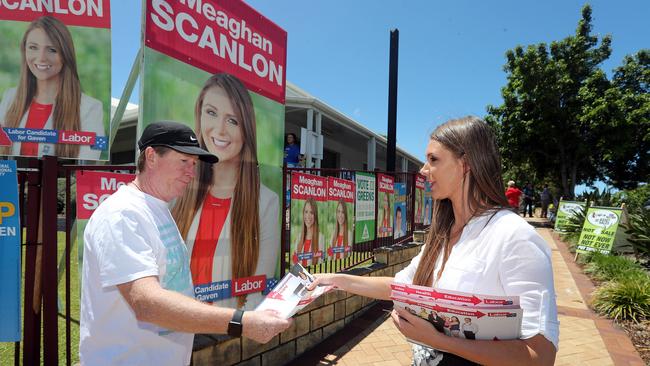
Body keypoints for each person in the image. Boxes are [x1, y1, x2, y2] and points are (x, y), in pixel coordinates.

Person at [310, 116, 558, 365]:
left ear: (466, 164)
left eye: (434, 160)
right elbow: (400, 286)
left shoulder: (514, 237)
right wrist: (334, 280)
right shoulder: (443, 233)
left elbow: (540, 356)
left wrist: (438, 340)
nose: (422, 170)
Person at [79, 121, 291, 365]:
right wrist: (241, 322)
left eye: (193, 164)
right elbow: (146, 303)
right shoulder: (123, 214)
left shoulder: (158, 207)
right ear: (151, 156)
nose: (191, 172)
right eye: (183, 161)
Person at [172, 73, 279, 310]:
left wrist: (234, 329)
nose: (220, 130)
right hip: (179, 323)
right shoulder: (179, 192)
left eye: (233, 120)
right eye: (211, 113)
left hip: (226, 326)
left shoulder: (267, 202)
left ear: (246, 130)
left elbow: (258, 287)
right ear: (199, 116)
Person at [0, 16, 104, 160]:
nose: (41, 57)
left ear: (65, 54)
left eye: (52, 49)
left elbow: (89, 159)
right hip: (11, 182)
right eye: (33, 47)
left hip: (60, 182)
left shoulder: (90, 108)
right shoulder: (9, 98)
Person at [292, 198, 324, 266]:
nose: (308, 216)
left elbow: (320, 263)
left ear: (315, 215)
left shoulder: (320, 238)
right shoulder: (299, 237)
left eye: (311, 212)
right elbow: (294, 263)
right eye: (306, 212)